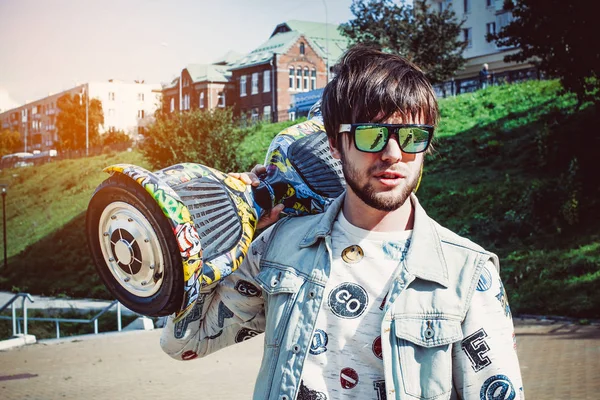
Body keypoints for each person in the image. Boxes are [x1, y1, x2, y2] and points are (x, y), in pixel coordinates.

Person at [160, 45, 524, 400]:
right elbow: (182, 341)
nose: (393, 154)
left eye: (411, 137)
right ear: (335, 143)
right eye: (371, 135)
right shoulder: (277, 249)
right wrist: (229, 240)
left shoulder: (468, 273)